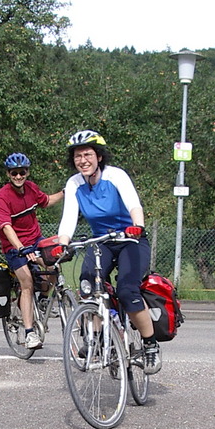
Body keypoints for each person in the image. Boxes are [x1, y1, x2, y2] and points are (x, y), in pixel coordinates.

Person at [56, 130, 162, 374]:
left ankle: (149, 344)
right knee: (87, 285)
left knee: (127, 290)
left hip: (129, 239)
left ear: (99, 157)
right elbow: (69, 218)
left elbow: (134, 204)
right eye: (78, 156)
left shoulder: (116, 176)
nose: (83, 160)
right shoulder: (74, 184)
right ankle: (96, 338)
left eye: (87, 154)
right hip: (101, 241)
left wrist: (137, 226)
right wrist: (63, 243)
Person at [0, 152, 63, 349]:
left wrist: (66, 192)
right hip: (14, 246)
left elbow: (47, 201)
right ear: (8, 174)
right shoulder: (3, 196)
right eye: (14, 173)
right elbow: (7, 227)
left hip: (35, 240)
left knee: (53, 266)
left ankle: (42, 301)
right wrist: (21, 248)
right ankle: (30, 333)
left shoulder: (31, 188)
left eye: (21, 172)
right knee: (27, 282)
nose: (18, 176)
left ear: (27, 172)